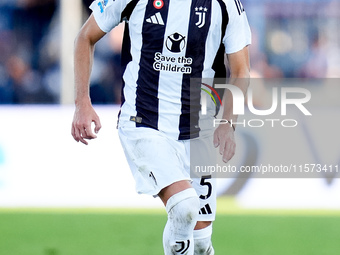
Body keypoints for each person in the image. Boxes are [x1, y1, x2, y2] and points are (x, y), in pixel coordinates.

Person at [71, 0, 251, 254]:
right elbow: (85, 37)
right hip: (144, 122)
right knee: (184, 206)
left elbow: (241, 70)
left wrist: (228, 122)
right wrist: (82, 103)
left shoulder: (226, 4)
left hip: (200, 130)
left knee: (200, 243)